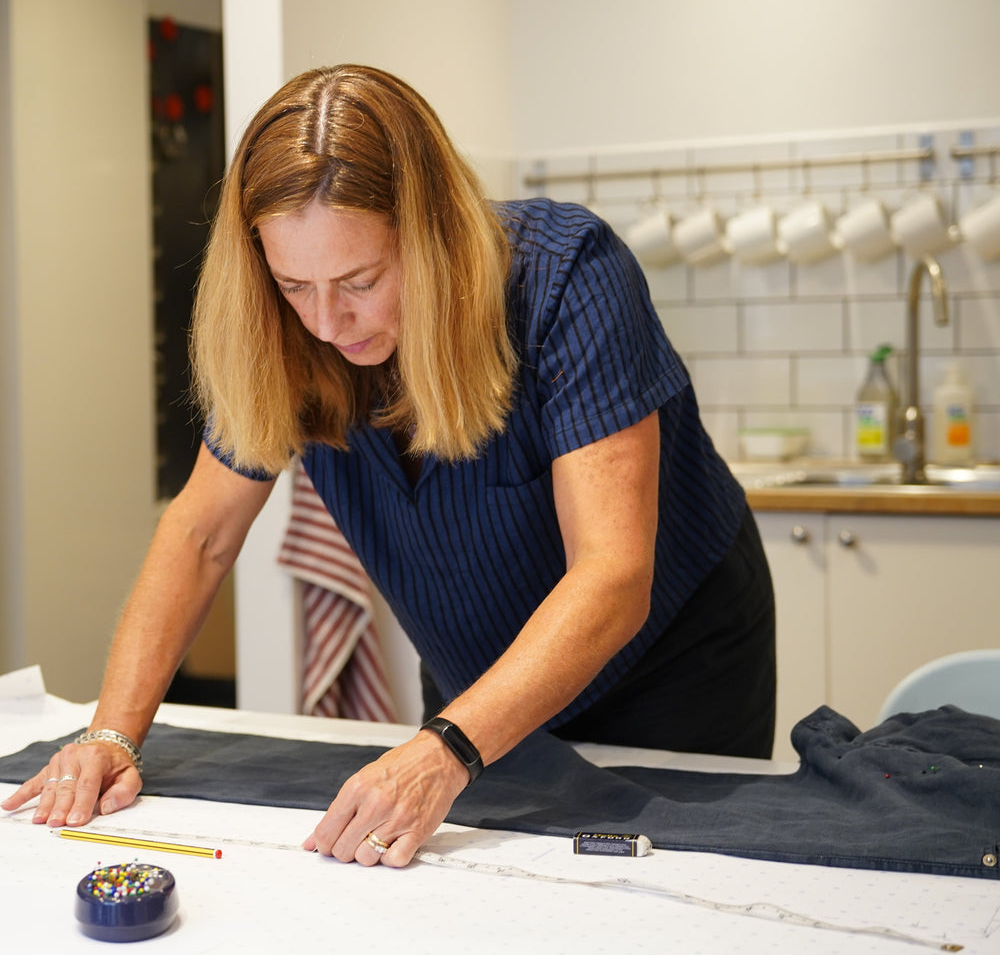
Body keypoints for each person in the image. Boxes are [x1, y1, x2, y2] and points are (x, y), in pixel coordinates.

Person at [2, 64, 774, 867]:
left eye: (361, 281)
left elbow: (612, 574)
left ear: (432, 231)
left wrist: (447, 749)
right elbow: (201, 532)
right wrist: (111, 733)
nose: (328, 321)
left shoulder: (567, 278)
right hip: (476, 676)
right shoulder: (285, 329)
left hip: (674, 664)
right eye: (295, 284)